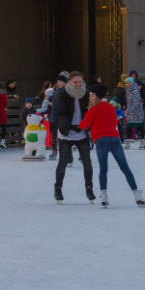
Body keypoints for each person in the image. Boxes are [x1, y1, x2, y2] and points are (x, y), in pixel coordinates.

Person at [79, 84, 145, 207]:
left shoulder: (92, 110)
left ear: (96, 96)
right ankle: (137, 195)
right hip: (115, 140)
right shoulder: (110, 107)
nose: (90, 98)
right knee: (125, 168)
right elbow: (115, 121)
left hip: (101, 141)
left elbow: (84, 125)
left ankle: (104, 195)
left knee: (103, 169)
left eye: (91, 96)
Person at [53, 71, 95, 203]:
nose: (77, 84)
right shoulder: (62, 94)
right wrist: (69, 127)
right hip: (66, 133)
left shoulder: (87, 94)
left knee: (87, 162)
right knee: (63, 162)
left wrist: (85, 125)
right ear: (70, 81)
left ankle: (89, 188)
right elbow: (61, 113)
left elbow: (91, 111)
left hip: (82, 133)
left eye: (80, 82)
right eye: (75, 82)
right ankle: (58, 188)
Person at [124, 76, 145, 148]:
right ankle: (128, 143)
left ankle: (142, 142)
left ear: (131, 83)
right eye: (126, 83)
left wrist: (128, 110)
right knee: (129, 126)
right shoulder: (128, 91)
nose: (126, 84)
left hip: (137, 113)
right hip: (131, 113)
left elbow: (136, 103)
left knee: (139, 126)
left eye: (127, 83)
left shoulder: (135, 91)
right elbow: (129, 102)